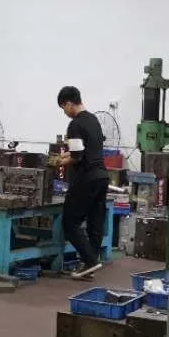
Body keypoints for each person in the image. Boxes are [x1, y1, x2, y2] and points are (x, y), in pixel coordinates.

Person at [55, 86, 109, 280]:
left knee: (69, 222)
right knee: (94, 223)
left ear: (69, 103)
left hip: (86, 178)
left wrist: (60, 161)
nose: (65, 112)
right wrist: (67, 155)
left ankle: (90, 261)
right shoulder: (93, 120)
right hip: (102, 176)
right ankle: (90, 265)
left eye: (63, 108)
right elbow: (87, 150)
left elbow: (77, 156)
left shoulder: (75, 125)